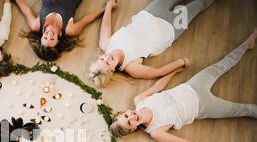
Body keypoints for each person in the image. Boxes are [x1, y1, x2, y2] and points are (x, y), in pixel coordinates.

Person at [108, 29, 257, 142]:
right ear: (133, 129)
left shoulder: (139, 100)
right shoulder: (156, 132)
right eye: (129, 122)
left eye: (126, 115)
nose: (131, 116)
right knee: (241, 109)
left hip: (191, 86)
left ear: (126, 111)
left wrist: (175, 70)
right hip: (202, 106)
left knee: (219, 66)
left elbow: (158, 87)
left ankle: (246, 45)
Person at [88, 0, 217, 87]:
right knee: (199, 4)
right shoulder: (132, 68)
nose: (107, 57)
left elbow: (105, 25)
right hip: (170, 28)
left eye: (102, 58)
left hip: (150, 14)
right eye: (107, 62)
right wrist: (180, 62)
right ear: (112, 70)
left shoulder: (105, 44)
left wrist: (109, 6)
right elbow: (158, 72)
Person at [13, 0, 106, 61]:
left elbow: (26, 11)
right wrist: (107, 8)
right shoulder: (71, 30)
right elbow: (86, 19)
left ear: (41, 38)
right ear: (57, 41)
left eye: (45, 37)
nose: (49, 34)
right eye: (52, 39)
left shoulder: (36, 25)